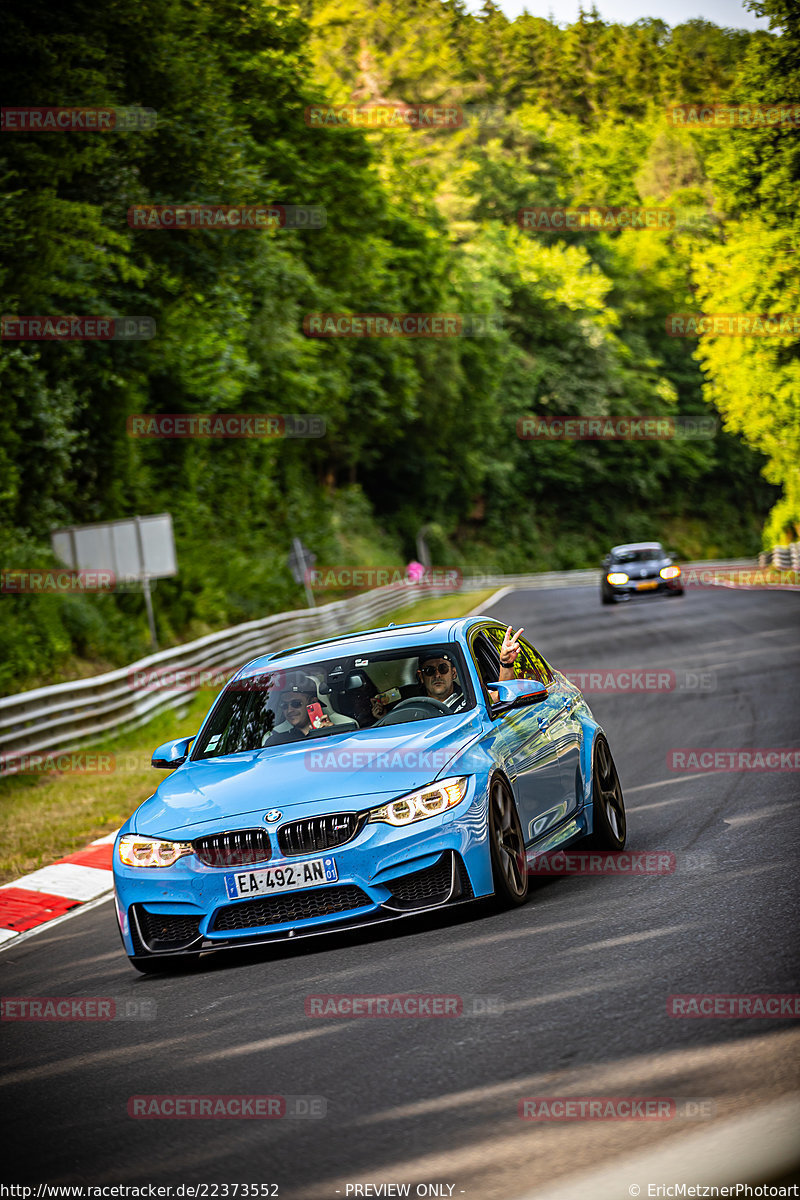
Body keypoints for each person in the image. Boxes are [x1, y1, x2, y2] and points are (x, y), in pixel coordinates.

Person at [370, 627, 525, 718]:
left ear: (453, 673)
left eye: (443, 669)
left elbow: (505, 693)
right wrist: (382, 718)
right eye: (429, 671)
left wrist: (506, 663)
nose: (437, 675)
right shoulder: (408, 710)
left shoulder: (473, 700)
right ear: (421, 677)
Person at [263, 674, 333, 745]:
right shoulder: (275, 742)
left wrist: (331, 735)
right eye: (284, 705)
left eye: (296, 703)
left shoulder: (334, 732)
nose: (289, 710)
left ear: (313, 702)